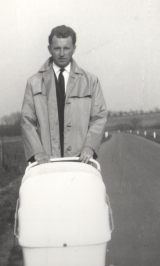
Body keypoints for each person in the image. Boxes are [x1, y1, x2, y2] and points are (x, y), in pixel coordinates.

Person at [21, 25, 107, 164]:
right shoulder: (34, 83)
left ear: (74, 48)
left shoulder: (91, 81)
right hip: (47, 163)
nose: (62, 53)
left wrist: (89, 147)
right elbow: (27, 121)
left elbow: (99, 117)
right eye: (57, 48)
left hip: (80, 162)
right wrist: (37, 152)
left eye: (66, 48)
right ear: (49, 49)